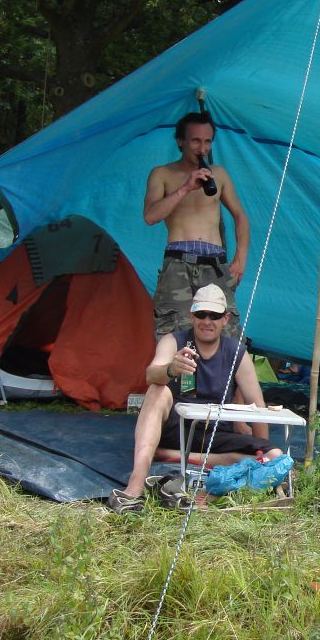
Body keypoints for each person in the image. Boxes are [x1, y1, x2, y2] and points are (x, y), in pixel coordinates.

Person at [106, 284, 287, 514]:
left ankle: (170, 456)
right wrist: (171, 369)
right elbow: (151, 375)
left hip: (216, 433)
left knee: (274, 456)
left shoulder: (236, 353)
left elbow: (257, 406)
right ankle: (134, 487)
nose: (207, 321)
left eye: (215, 315)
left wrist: (260, 450)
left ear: (225, 319)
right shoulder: (173, 341)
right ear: (192, 316)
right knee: (157, 391)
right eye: (201, 314)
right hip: (177, 429)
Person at [143, 112, 250, 339]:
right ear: (180, 141)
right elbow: (150, 216)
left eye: (207, 141)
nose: (202, 148)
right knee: (175, 334)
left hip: (215, 262)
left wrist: (241, 257)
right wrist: (185, 188)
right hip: (178, 262)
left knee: (226, 332)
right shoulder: (162, 173)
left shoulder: (218, 174)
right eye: (195, 141)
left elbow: (240, 216)